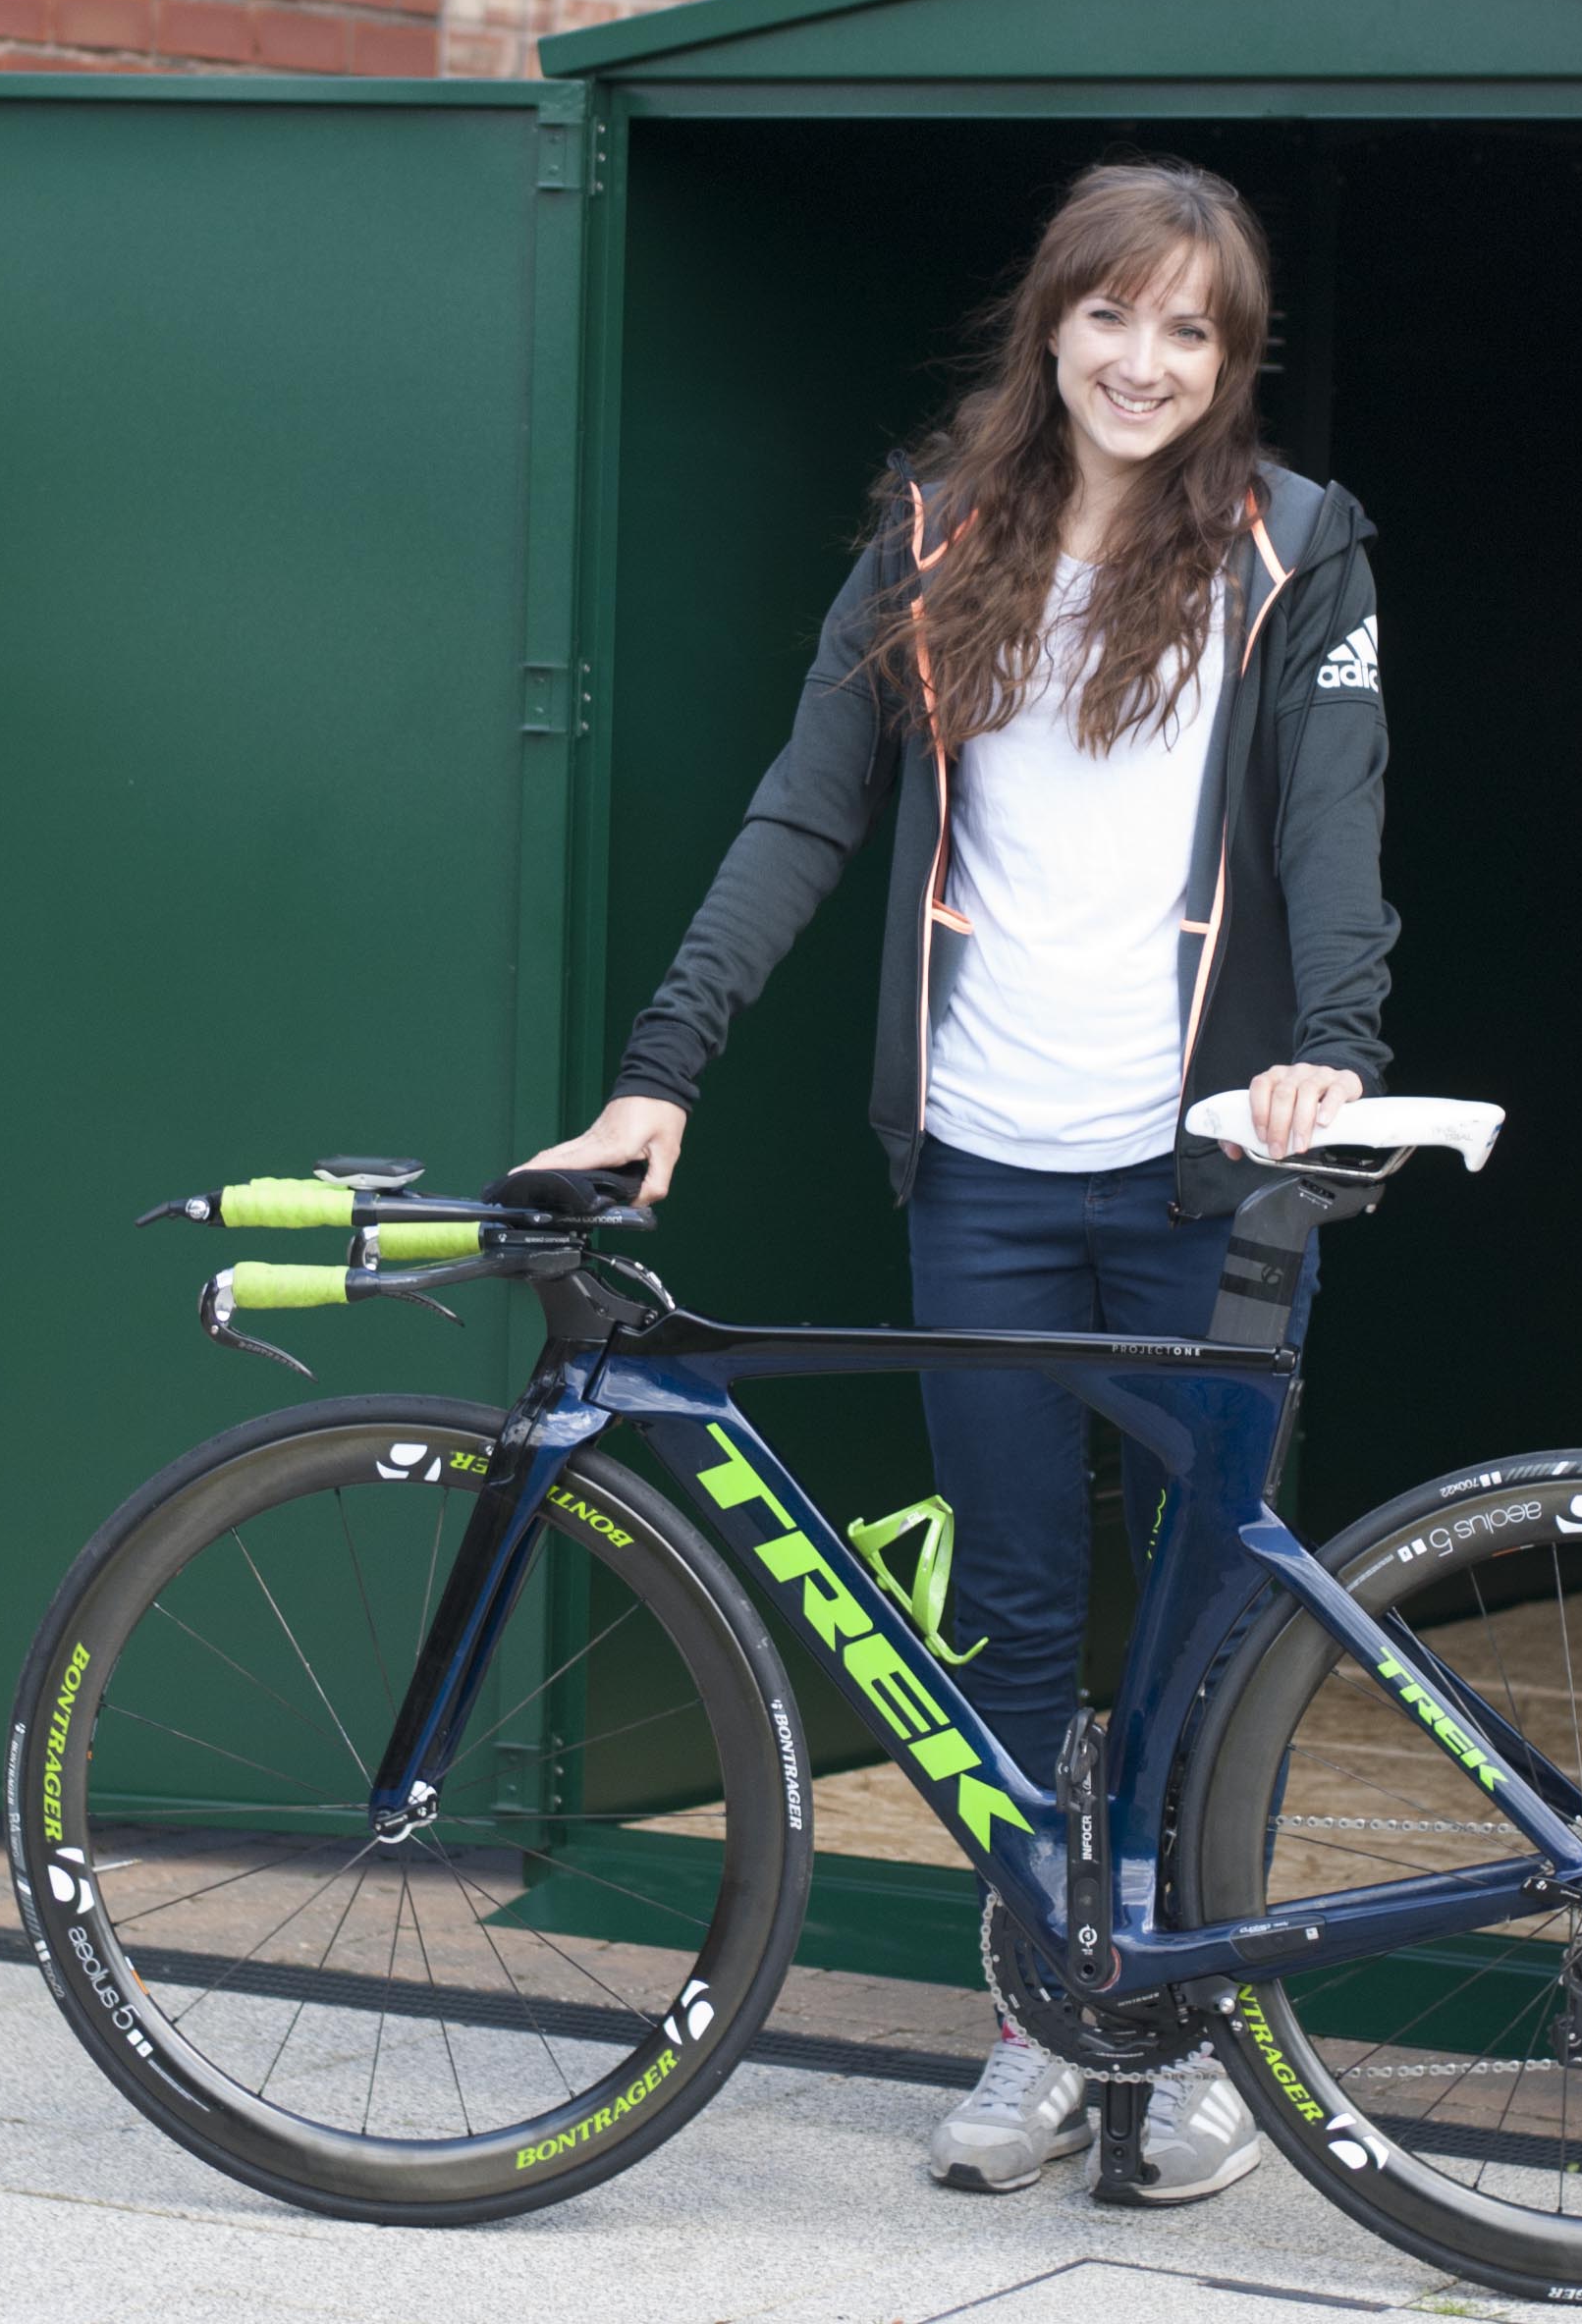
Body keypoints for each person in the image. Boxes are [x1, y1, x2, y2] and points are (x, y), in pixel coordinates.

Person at [523, 157, 1395, 2202]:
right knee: (1006, 1620)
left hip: (1204, 1182)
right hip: (985, 1173)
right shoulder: (933, 533)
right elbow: (801, 815)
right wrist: (661, 1073)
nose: (1144, 360)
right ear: (1050, 320)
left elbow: (1339, 828)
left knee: (1191, 1622)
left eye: (1192, 330)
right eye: (1115, 313)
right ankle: (1040, 2020)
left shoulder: (1295, 552)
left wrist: (1328, 1056)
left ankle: (1176, 2044)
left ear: (1229, 360)